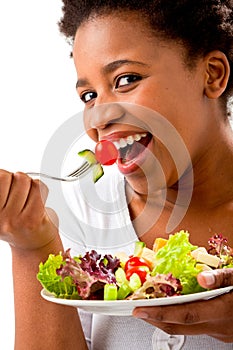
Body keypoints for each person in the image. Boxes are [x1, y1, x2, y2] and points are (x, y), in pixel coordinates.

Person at [1, 0, 233, 348]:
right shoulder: (80, 214)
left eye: (126, 80)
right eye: (89, 95)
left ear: (211, 73)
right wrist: (32, 245)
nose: (98, 120)